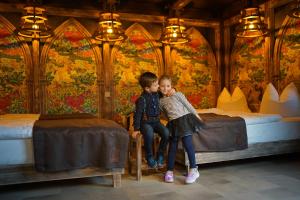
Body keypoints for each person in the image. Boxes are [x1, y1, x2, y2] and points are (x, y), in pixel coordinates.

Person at [159, 75, 204, 184]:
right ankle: (169, 171)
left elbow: (188, 105)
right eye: (163, 86)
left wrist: (197, 116)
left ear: (172, 86)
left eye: (168, 86)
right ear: (159, 87)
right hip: (173, 123)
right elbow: (165, 114)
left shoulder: (177, 94)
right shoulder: (160, 101)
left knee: (188, 143)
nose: (166, 88)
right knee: (172, 147)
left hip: (184, 121)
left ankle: (194, 169)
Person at [133, 72, 169, 168]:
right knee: (149, 133)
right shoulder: (142, 99)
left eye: (157, 84)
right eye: (156, 85)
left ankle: (160, 154)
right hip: (145, 123)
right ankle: (149, 156)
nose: (158, 86)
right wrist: (136, 129)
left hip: (156, 122)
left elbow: (166, 91)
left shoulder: (157, 94)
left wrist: (171, 89)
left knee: (166, 132)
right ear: (147, 88)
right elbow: (137, 114)